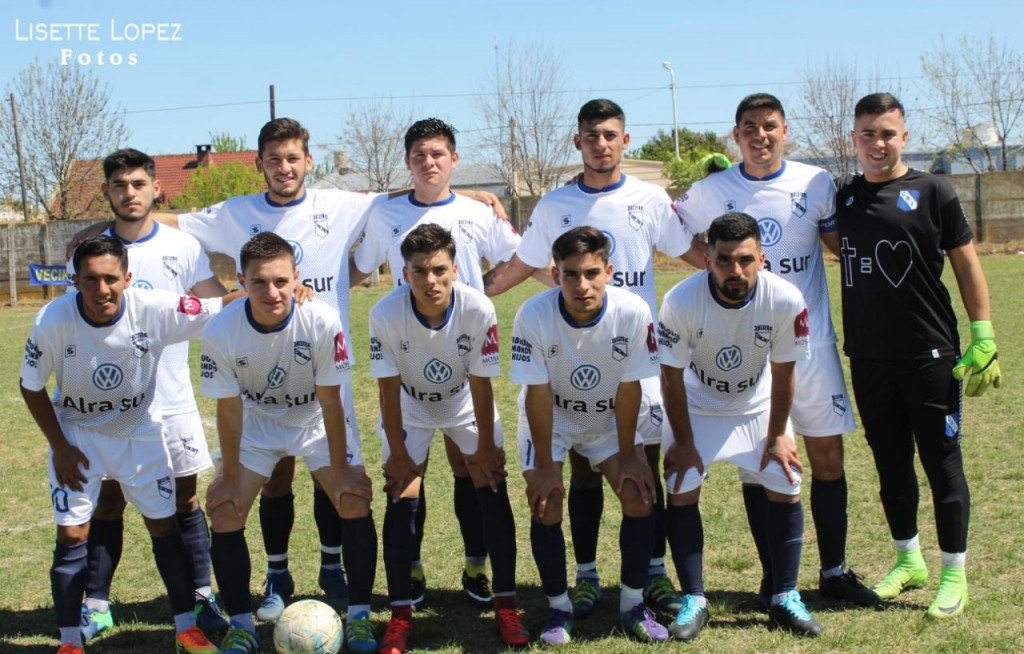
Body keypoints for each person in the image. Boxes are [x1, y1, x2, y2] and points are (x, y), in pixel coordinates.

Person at [486, 99, 691, 618]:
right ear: (577, 142)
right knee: (580, 473)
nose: (601, 143)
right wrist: (471, 298)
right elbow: (524, 263)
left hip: (632, 357)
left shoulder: (650, 197)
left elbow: (692, 252)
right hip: (573, 356)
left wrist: (753, 271)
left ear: (625, 140)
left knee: (642, 468)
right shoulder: (554, 205)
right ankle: (586, 575)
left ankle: (653, 573)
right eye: (591, 135)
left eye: (611, 134)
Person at [672, 93, 878, 607]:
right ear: (735, 135)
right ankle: (774, 578)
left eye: (769, 126)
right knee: (759, 462)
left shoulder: (815, 182)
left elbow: (840, 246)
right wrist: (714, 267)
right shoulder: (712, 189)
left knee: (826, 454)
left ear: (785, 130)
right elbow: (665, 224)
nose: (759, 136)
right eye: (748, 127)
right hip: (750, 350)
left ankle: (833, 570)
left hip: (812, 344)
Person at [19, 235, 231, 654]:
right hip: (79, 439)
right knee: (73, 535)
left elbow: (222, 306)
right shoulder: (52, 320)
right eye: (90, 280)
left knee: (163, 525)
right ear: (74, 281)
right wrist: (59, 446)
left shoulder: (154, 309)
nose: (102, 290)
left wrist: (273, 288)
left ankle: (186, 628)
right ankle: (68, 642)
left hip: (141, 436)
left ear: (128, 277)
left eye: (111, 279)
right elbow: (30, 386)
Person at [835, 92, 1001, 619]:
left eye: (887, 133)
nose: (878, 143)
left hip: (932, 356)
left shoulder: (934, 191)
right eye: (868, 133)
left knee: (942, 464)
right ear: (853, 139)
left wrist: (984, 334)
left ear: (904, 137)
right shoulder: (842, 198)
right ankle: (909, 561)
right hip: (867, 358)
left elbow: (968, 266)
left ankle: (954, 572)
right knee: (890, 466)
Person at [351, 118, 522, 608]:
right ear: (408, 162)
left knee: (472, 471)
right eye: (419, 156)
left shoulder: (477, 210)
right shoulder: (383, 215)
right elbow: (357, 269)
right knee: (408, 475)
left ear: (454, 159)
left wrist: (485, 292)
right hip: (409, 361)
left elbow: (520, 256)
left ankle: (476, 565)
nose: (429, 163)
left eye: (439, 155)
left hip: (463, 363)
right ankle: (412, 569)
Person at [64, 149, 231, 642]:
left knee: (185, 499)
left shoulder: (182, 246)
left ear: (157, 189)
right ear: (107, 192)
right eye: (119, 185)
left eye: (138, 183)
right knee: (108, 501)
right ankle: (96, 604)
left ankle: (202, 595)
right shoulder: (91, 250)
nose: (129, 193)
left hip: (172, 401)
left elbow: (214, 304)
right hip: (110, 408)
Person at [200, 232, 378, 654]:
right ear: (240, 282)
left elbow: (332, 402)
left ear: (296, 276)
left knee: (353, 498)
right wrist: (226, 474)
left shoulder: (320, 319)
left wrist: (342, 467)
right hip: (257, 426)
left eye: (281, 281)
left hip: (314, 419)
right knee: (224, 511)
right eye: (259, 282)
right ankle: (242, 626)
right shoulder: (222, 329)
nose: (271, 291)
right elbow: (228, 408)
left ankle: (359, 617)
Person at [659, 212, 822, 639]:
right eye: (725, 259)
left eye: (746, 259)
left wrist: (778, 433)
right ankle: (694, 598)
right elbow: (670, 378)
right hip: (697, 407)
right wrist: (684, 441)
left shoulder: (785, 299)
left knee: (785, 480)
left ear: (762, 259)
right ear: (707, 258)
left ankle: (784, 595)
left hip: (756, 405)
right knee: (681, 483)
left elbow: (785, 372)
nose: (736, 270)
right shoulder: (681, 300)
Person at [368, 224, 529, 654]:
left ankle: (505, 603)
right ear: (404, 273)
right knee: (401, 493)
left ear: (456, 270)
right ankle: (401, 614)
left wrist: (484, 449)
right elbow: (386, 389)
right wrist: (399, 454)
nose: (430, 280)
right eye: (419, 271)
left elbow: (481, 384)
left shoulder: (477, 309)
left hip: (463, 401)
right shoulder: (385, 313)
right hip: (410, 406)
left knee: (490, 483)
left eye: (439, 269)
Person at [512, 226, 668, 645]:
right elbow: (538, 396)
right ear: (555, 274)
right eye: (570, 275)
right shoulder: (532, 315)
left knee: (638, 494)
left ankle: (632, 603)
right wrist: (545, 465)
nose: (582, 285)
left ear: (609, 272)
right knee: (546, 504)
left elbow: (630, 385)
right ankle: (559, 608)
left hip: (609, 418)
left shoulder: (633, 311)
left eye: (591, 273)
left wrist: (632, 452)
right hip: (553, 419)